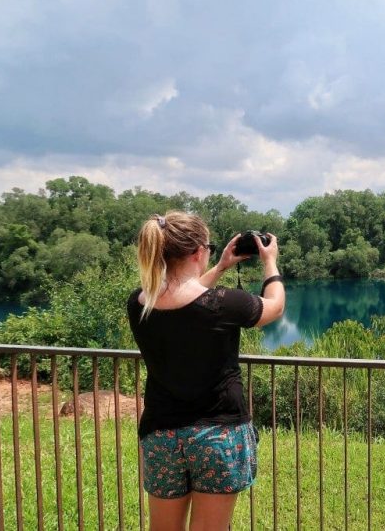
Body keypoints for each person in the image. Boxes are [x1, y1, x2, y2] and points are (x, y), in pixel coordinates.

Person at [126, 211, 285, 531]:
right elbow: (275, 306)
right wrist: (270, 262)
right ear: (198, 251)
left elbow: (183, 296)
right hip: (218, 435)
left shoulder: (140, 302)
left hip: (161, 435)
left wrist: (223, 265)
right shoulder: (225, 304)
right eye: (209, 248)